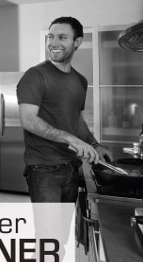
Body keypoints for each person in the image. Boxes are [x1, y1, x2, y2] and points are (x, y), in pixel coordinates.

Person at [17, 16, 113, 203]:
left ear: (77, 42)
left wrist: (94, 145)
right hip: (44, 168)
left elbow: (75, 118)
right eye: (50, 37)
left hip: (72, 166)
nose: (53, 43)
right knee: (49, 231)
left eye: (62, 37)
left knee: (62, 227)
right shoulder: (35, 75)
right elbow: (28, 119)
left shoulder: (80, 81)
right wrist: (72, 140)